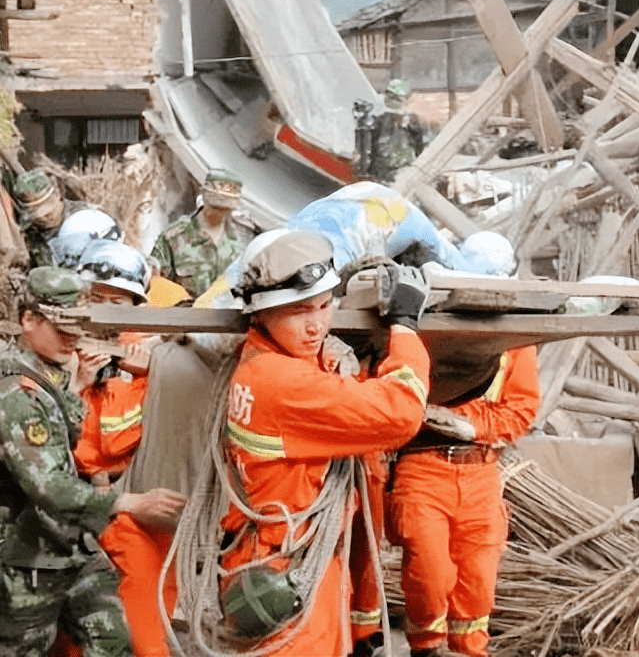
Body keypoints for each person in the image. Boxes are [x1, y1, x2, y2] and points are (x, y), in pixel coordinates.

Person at [218, 230, 432, 655]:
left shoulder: (262, 360)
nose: (316, 325)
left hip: (287, 565)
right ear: (260, 312)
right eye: (299, 311)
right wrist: (405, 329)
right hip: (288, 572)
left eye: (324, 305)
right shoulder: (280, 383)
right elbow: (400, 413)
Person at [0, 266, 186, 657]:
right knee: (16, 647)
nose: (72, 338)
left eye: (77, 326)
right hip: (18, 554)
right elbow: (49, 486)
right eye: (61, 327)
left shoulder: (45, 374)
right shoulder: (15, 392)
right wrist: (129, 502)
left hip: (65, 545)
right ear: (28, 320)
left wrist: (80, 383)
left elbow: (67, 437)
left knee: (113, 637)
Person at [385, 238, 539, 657]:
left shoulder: (516, 339)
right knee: (428, 573)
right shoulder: (426, 326)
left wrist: (469, 427)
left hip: (481, 473)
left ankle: (471, 649)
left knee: (478, 579)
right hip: (423, 467)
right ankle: (427, 648)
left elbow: (521, 410)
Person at [71, 241, 181, 657]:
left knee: (159, 601)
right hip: (102, 508)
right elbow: (94, 446)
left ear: (136, 303)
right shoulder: (73, 351)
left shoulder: (150, 354)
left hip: (145, 502)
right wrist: (83, 381)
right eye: (96, 298)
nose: (105, 310)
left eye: (116, 301)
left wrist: (134, 368)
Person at [197, 182, 513, 309]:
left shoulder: (402, 216)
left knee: (235, 287)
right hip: (328, 243)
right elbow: (458, 273)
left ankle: (201, 317)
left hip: (302, 231)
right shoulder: (421, 231)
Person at [150, 169, 254, 299]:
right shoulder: (174, 237)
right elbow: (155, 285)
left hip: (231, 317)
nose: (218, 210)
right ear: (204, 193)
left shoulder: (243, 243)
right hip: (183, 317)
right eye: (216, 203)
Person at [11, 167, 92, 269]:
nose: (47, 215)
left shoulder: (86, 218)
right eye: (37, 212)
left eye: (50, 205)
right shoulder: (30, 235)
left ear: (58, 195)